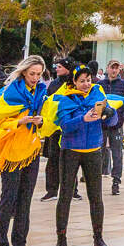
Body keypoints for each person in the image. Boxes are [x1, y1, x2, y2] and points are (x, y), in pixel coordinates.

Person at [44, 64, 114, 246]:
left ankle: (98, 237)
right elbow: (65, 126)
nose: (86, 84)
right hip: (70, 151)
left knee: (96, 196)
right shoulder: (65, 99)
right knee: (65, 195)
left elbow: (112, 118)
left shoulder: (98, 95)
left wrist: (109, 113)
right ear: (74, 82)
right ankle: (62, 239)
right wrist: (83, 118)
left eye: (88, 80)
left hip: (93, 150)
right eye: (82, 81)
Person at [0, 55, 48, 246]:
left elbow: (47, 117)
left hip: (31, 150)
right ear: (23, 72)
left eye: (39, 74)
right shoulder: (10, 92)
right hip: (12, 151)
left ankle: (20, 244)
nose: (35, 78)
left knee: (25, 199)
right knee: (8, 198)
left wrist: (40, 121)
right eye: (32, 74)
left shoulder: (41, 91)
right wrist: (19, 121)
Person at [41, 59, 74, 201]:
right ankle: (52, 189)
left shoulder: (73, 83)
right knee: (53, 159)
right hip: (54, 127)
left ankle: (73, 189)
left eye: (60, 67)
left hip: (69, 127)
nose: (57, 69)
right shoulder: (54, 84)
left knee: (71, 160)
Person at [100, 59, 124, 194]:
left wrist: (122, 117)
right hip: (101, 125)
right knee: (97, 152)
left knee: (117, 153)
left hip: (116, 125)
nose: (114, 70)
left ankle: (116, 181)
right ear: (107, 68)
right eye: (112, 68)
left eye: (116, 68)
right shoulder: (100, 84)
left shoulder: (123, 85)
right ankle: (95, 179)